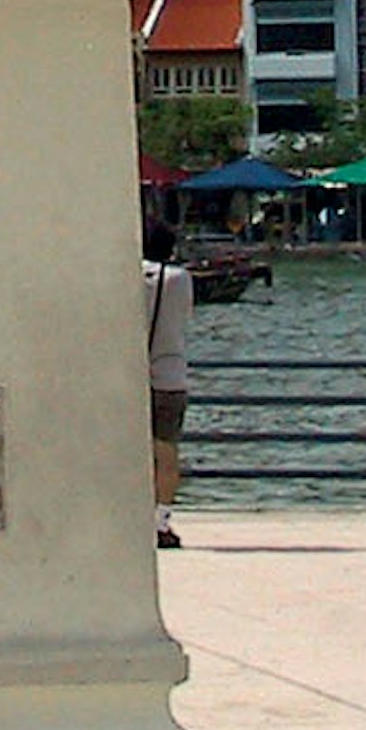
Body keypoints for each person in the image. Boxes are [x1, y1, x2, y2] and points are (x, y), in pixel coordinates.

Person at [144, 207, 194, 551]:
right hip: (169, 374)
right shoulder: (179, 280)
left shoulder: (122, 275)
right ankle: (160, 520)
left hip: (129, 378)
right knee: (166, 450)